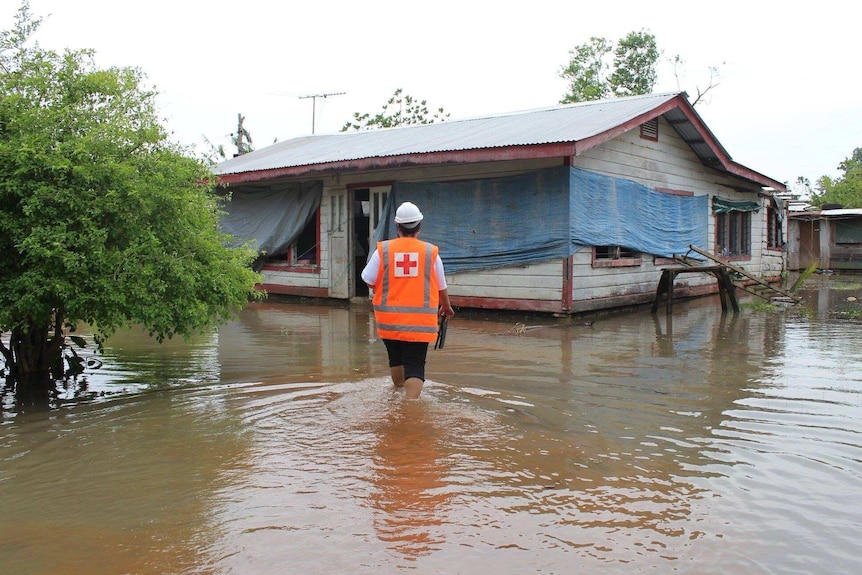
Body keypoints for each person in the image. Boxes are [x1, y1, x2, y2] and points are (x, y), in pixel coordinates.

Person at [361, 201, 455, 399]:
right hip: (419, 324)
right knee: (415, 365)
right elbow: (441, 286)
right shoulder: (430, 253)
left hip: (389, 322)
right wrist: (446, 307)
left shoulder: (383, 251)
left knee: (396, 360)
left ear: (397, 227)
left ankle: (397, 396)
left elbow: (368, 279)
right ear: (419, 227)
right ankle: (409, 410)